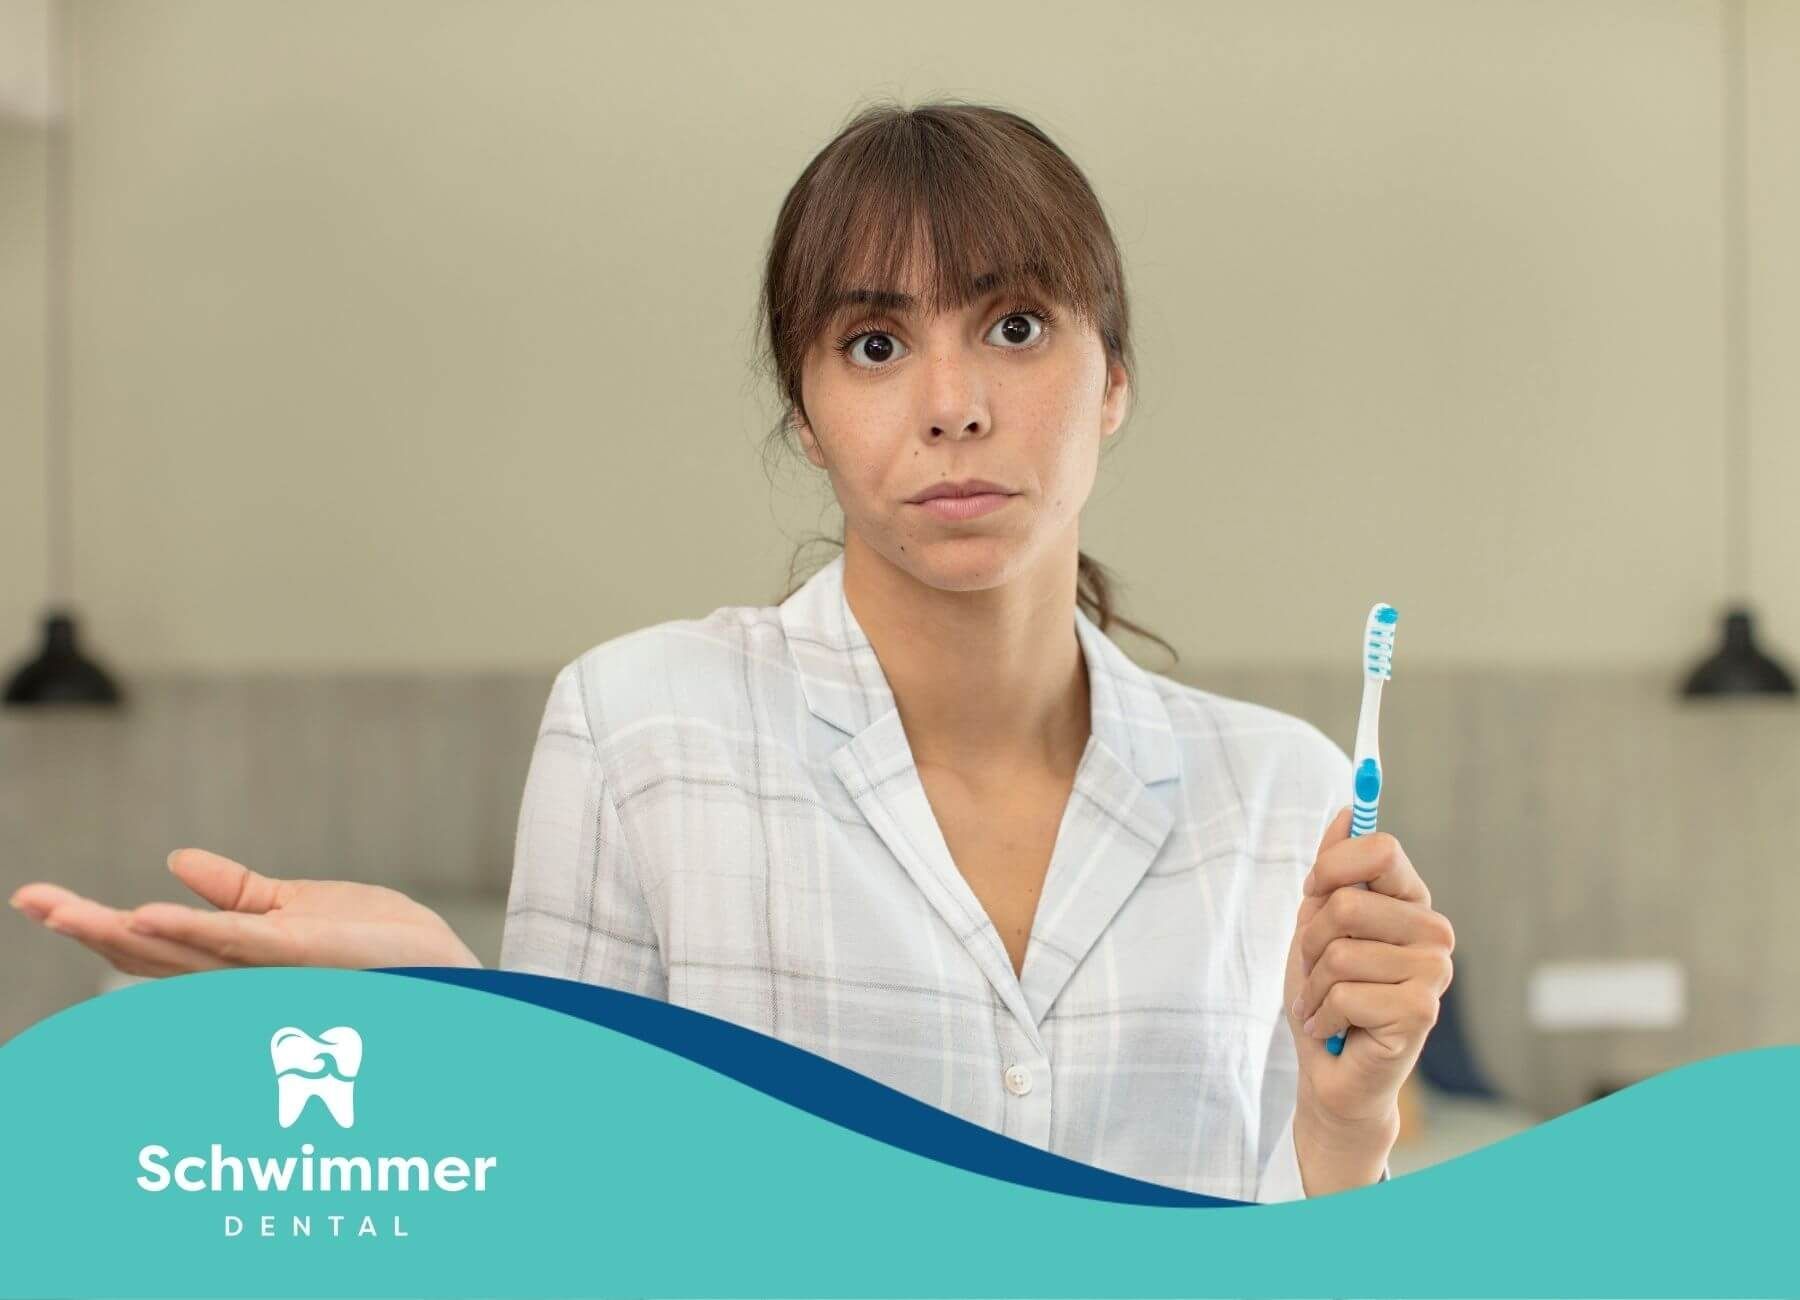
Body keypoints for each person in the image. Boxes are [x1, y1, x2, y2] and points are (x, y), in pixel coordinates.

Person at [9, 99, 1453, 1203]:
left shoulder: (1280, 795)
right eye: (875, 345)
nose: (952, 405)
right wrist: (457, 1030)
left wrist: (1344, 1128)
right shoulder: (641, 734)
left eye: (1015, 326)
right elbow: (576, 1223)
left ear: (1114, 380)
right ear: (806, 409)